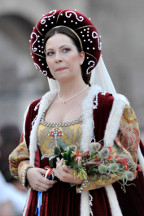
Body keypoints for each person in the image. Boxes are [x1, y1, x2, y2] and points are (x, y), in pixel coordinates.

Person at [9, 9, 144, 216]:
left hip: (93, 207)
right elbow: (20, 156)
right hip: (46, 207)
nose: (57, 59)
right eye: (50, 53)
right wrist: (27, 172)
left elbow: (128, 160)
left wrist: (84, 173)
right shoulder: (35, 110)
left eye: (65, 50)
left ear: (82, 55)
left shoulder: (110, 106)